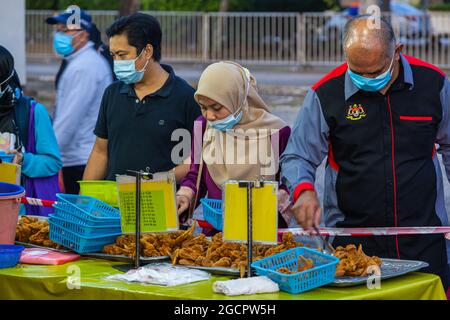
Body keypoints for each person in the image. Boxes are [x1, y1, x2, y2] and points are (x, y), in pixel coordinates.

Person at [281, 15, 450, 290]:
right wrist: (303, 189)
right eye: (356, 71)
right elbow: (298, 155)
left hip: (423, 237)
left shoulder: (434, 84)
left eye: (374, 72)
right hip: (352, 244)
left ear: (397, 52)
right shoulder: (326, 93)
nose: (365, 80)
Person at [83, 13, 201, 183]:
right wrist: (85, 197)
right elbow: (100, 151)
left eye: (122, 55)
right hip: (112, 206)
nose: (116, 61)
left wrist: (157, 180)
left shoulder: (186, 98)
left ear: (147, 51)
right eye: (113, 55)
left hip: (162, 204)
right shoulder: (112, 93)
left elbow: (195, 160)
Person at [176, 61, 292, 231]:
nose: (210, 115)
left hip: (262, 233)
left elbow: (289, 181)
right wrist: (185, 195)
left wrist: (280, 200)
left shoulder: (276, 132)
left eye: (216, 107)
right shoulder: (203, 127)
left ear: (237, 100)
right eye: (203, 107)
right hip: (216, 233)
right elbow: (196, 174)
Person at [46, 8, 112, 194]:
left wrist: (48, 154)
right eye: (58, 30)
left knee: (76, 217)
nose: (59, 35)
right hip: (78, 155)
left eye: (64, 31)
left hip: (80, 158)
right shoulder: (79, 62)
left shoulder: (84, 67)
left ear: (83, 35)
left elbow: (69, 119)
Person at [0, 46, 62, 216]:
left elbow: (53, 162)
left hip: (19, 215)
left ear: (5, 82)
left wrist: (23, 160)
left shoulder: (33, 112)